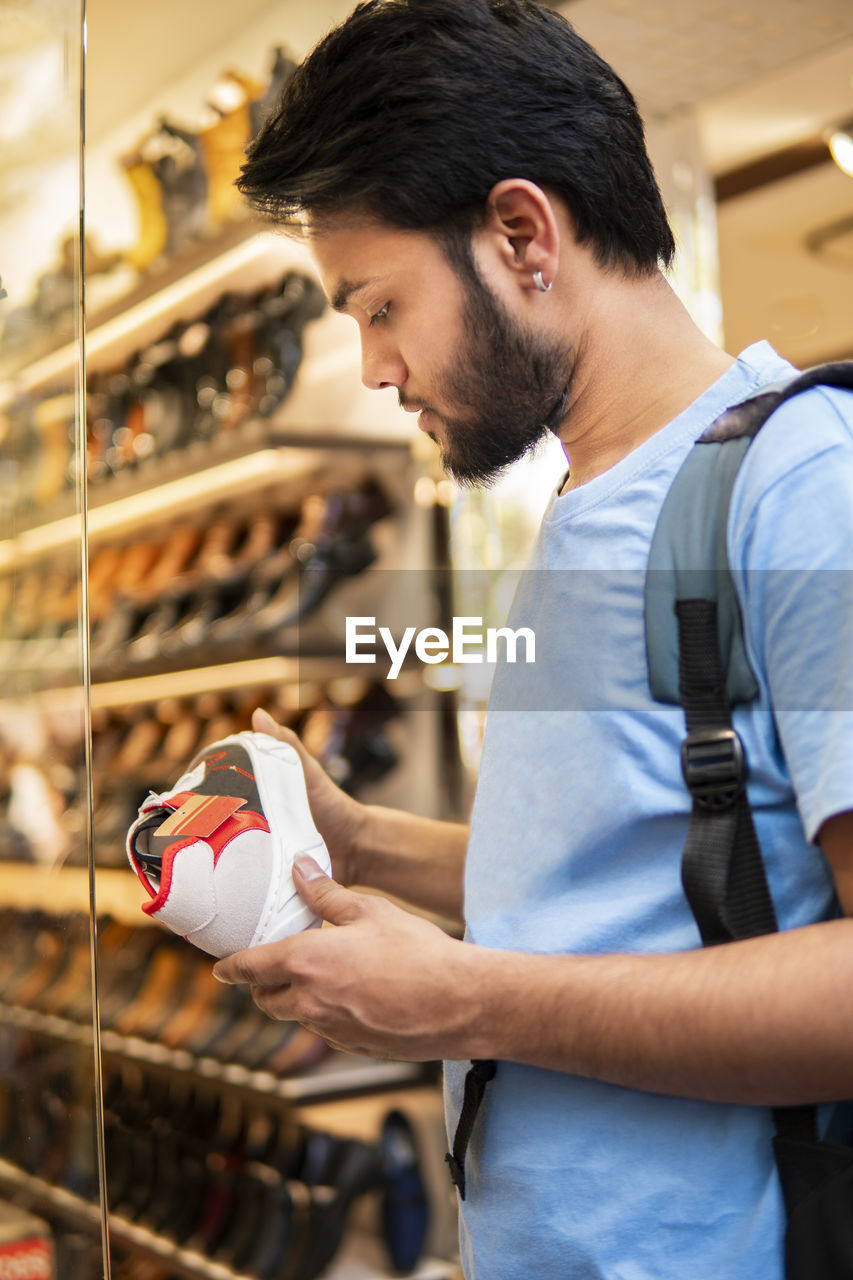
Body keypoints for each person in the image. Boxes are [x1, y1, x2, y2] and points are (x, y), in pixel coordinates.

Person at [211, 2, 853, 1275]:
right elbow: (641, 875)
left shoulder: (799, 491)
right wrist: (361, 838)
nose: (375, 366)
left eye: (379, 305)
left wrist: (464, 1000)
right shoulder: (582, 503)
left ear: (521, 234)